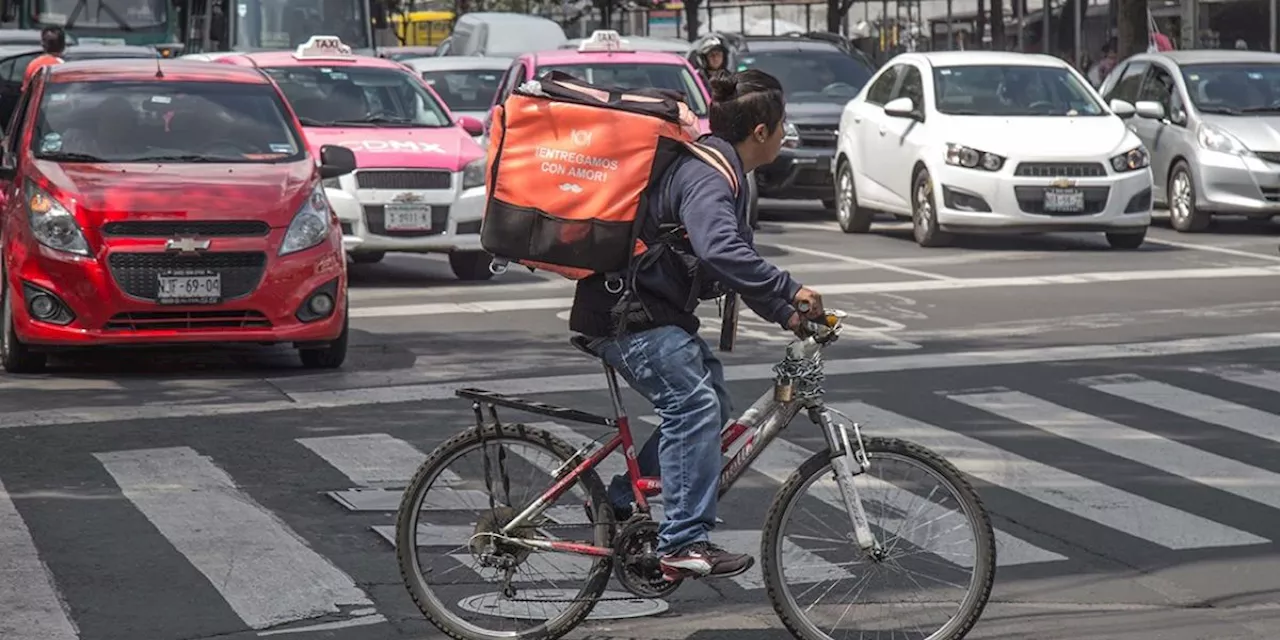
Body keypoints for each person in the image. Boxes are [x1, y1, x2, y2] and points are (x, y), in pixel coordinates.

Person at [570, 69, 825, 582]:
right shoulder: (710, 175)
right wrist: (789, 286)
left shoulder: (722, 170)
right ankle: (684, 541)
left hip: (647, 313)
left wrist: (786, 315)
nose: (784, 134)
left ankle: (622, 502)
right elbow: (720, 250)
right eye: (782, 126)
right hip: (630, 315)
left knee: (712, 404)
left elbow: (734, 262)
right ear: (760, 132)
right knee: (693, 406)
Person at [22, 27, 67, 93]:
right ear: (63, 45)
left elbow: (25, 91)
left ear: (42, 44)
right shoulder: (63, 67)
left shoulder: (33, 65)